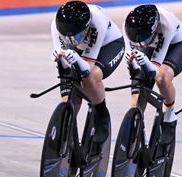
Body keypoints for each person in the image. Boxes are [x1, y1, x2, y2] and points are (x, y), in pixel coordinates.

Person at [50, 0, 125, 155]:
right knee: (71, 96)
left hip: (108, 46)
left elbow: (86, 69)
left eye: (76, 35)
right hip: (77, 50)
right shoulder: (56, 26)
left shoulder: (98, 21)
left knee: (91, 78)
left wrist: (75, 60)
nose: (71, 39)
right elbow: (64, 66)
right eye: (67, 36)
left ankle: (101, 113)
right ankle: (67, 132)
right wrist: (58, 57)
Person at [123, 4, 182, 147]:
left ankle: (170, 114)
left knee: (162, 78)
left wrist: (145, 64)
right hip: (149, 44)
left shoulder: (166, 24)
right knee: (139, 83)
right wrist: (133, 66)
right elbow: (133, 60)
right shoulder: (129, 26)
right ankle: (135, 123)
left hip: (177, 45)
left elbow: (154, 70)